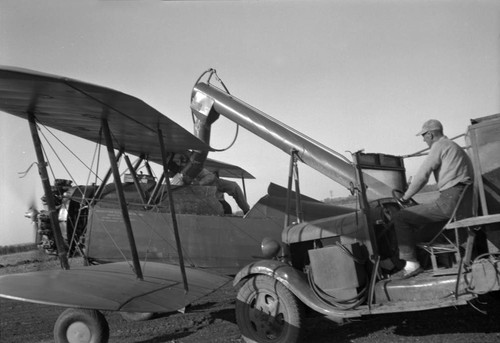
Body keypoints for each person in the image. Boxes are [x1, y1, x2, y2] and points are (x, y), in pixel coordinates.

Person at [393, 119, 473, 278]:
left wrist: (405, 198)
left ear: (430, 134)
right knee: (419, 234)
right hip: (458, 202)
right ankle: (439, 261)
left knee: (400, 217)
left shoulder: (440, 146)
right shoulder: (452, 146)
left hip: (450, 201)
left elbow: (422, 176)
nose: (423, 139)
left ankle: (411, 265)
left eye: (423, 135)